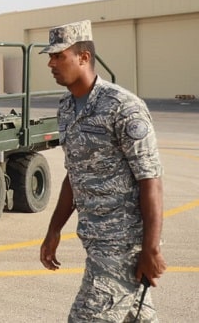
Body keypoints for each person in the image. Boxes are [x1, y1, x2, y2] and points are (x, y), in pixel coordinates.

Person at [38, 20, 167, 322]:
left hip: (123, 245)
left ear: (83, 57)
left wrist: (149, 248)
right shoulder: (67, 108)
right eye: (51, 56)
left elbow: (151, 180)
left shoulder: (123, 107)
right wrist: (54, 229)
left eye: (59, 55)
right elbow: (75, 174)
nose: (51, 63)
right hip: (97, 241)